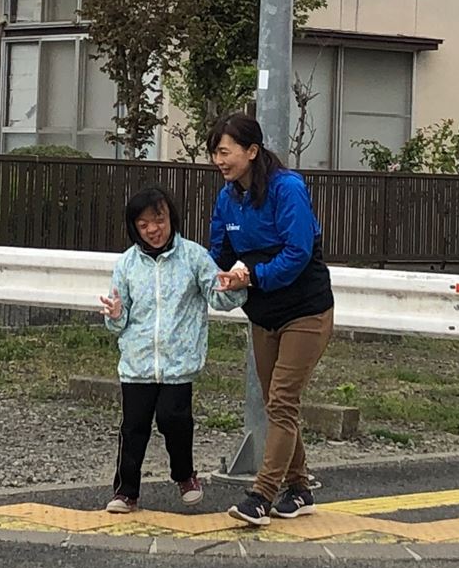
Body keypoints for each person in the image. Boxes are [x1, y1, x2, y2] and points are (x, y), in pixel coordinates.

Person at [209, 112, 335, 527]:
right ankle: (299, 488)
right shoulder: (228, 197)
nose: (219, 160)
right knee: (275, 403)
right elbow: (218, 253)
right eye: (214, 152)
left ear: (251, 150)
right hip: (263, 315)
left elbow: (298, 253)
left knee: (282, 399)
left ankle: (261, 494)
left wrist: (255, 275)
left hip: (306, 310)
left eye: (225, 151)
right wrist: (212, 277)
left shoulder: (288, 189)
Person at [99, 184, 244, 514]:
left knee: (173, 419)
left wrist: (234, 286)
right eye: (143, 224)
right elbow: (117, 320)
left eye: (158, 220)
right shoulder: (127, 263)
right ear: (134, 227)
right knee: (133, 427)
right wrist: (115, 315)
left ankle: (185, 475)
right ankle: (125, 493)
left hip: (179, 363)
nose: (152, 229)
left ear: (171, 218)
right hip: (137, 363)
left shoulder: (193, 256)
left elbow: (218, 299)